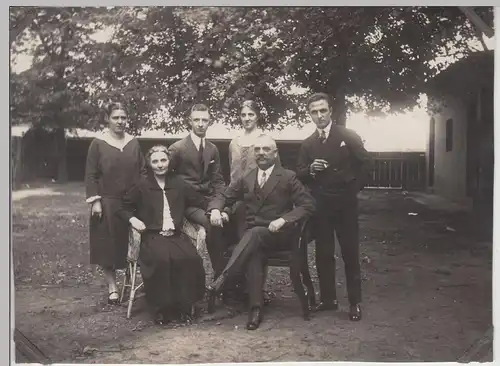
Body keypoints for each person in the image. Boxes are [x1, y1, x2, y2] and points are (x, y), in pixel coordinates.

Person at [206, 135, 316, 330]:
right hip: (255, 237)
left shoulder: (288, 176)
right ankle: (255, 309)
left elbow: (307, 205)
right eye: (257, 150)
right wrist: (216, 209)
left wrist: (284, 219)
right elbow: (224, 196)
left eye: (266, 149)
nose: (261, 153)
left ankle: (224, 279)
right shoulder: (247, 178)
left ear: (275, 153)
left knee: (254, 234)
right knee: (254, 249)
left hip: (280, 235)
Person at [296, 92, 372, 321]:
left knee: (350, 253)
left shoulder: (347, 136)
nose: (319, 116)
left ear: (331, 111)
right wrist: (310, 169)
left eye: (323, 110)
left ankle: (355, 303)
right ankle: (329, 300)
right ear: (309, 115)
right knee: (323, 253)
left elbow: (366, 164)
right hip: (321, 206)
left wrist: (353, 188)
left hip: (345, 204)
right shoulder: (308, 143)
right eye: (314, 112)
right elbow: (299, 173)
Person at [116, 145, 207, 325]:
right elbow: (123, 207)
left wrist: (216, 210)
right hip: (152, 235)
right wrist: (133, 220)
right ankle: (161, 309)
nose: (160, 165)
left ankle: (184, 306)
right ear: (149, 164)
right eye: (155, 161)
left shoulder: (179, 183)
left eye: (163, 160)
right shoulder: (142, 185)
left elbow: (200, 200)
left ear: (169, 162)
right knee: (161, 260)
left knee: (190, 259)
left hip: (176, 235)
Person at [84, 102, 147, 305]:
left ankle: (131, 282)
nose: (120, 121)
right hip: (108, 202)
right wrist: (95, 201)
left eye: (123, 118)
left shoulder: (133, 143)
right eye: (116, 117)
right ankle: (112, 286)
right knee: (107, 245)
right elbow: (91, 174)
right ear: (108, 119)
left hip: (132, 202)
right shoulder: (98, 143)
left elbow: (143, 171)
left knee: (133, 243)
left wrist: (143, 195)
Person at [227, 99, 280, 305]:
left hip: (259, 200)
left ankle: (256, 290)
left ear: (257, 116)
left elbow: (276, 172)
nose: (247, 118)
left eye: (251, 114)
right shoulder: (234, 142)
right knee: (238, 242)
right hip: (237, 201)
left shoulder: (265, 141)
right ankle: (237, 289)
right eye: (243, 115)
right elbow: (232, 172)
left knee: (255, 243)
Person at [168, 103, 228, 280]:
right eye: (197, 120)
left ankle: (230, 274)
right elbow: (166, 179)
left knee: (229, 219)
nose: (201, 124)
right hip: (187, 203)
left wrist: (216, 207)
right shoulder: (177, 148)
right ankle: (220, 277)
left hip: (208, 200)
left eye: (204, 120)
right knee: (212, 225)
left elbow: (218, 181)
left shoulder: (212, 149)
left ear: (210, 122)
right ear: (190, 121)